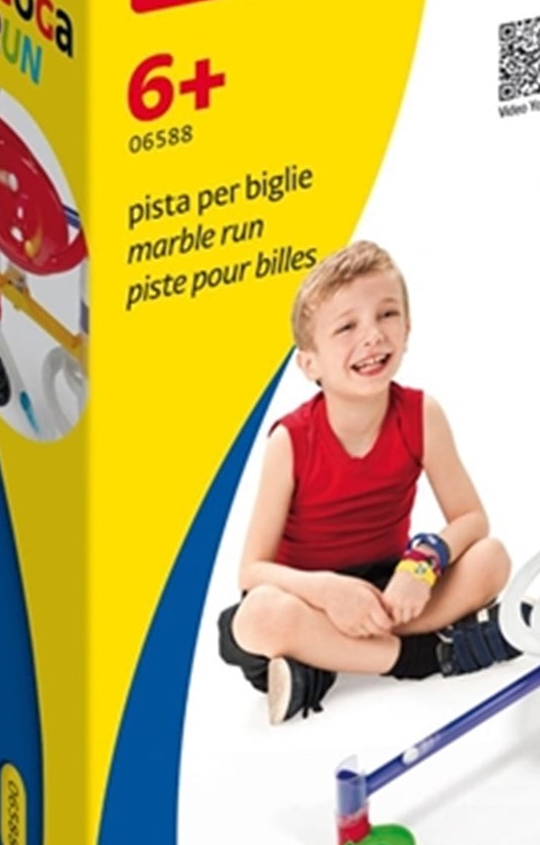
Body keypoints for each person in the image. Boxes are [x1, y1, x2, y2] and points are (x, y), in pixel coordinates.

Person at [218, 240, 520, 723]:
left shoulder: (422, 414)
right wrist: (328, 593)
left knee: (492, 559)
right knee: (258, 617)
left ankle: (321, 662)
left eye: (387, 314)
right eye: (347, 327)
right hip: (309, 597)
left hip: (388, 587)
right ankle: (426, 655)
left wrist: (421, 567)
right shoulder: (289, 441)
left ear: (408, 329)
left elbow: (471, 519)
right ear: (310, 363)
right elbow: (252, 572)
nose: (373, 336)